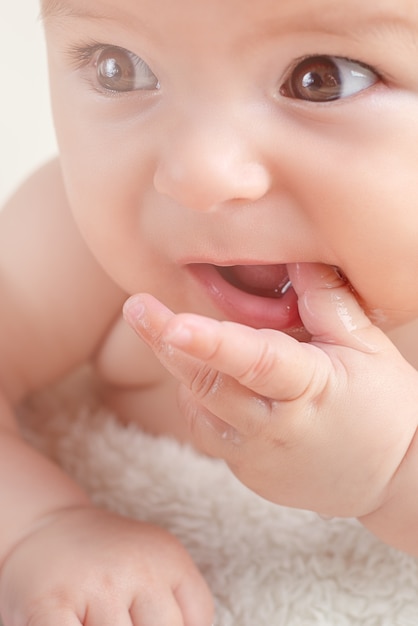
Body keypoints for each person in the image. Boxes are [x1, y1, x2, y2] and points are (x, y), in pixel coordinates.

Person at [1, 0, 418, 623]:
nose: (201, 173)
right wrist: (39, 525)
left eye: (322, 77)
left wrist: (396, 469)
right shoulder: (72, 243)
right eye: (121, 68)